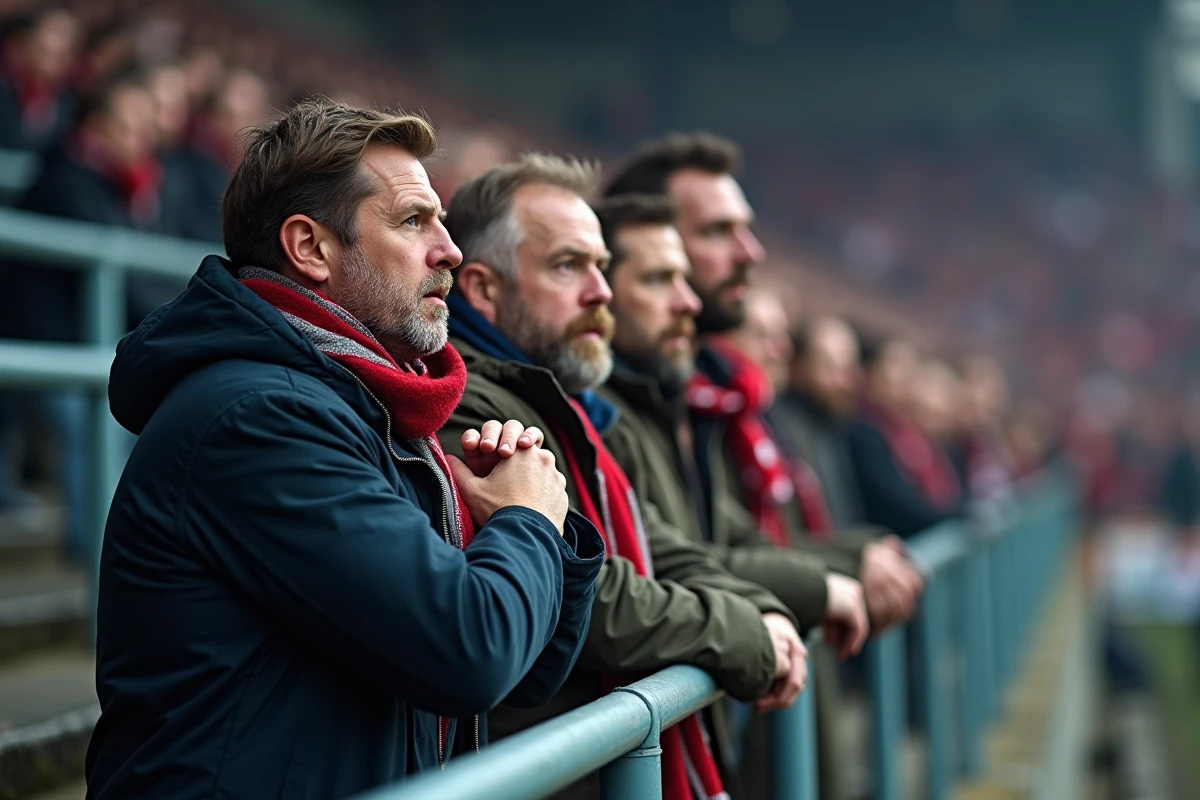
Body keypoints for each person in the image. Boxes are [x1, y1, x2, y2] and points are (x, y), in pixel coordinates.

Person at [86, 99, 604, 800]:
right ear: (310, 249)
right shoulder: (261, 419)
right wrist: (528, 520)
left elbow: (526, 674)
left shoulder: (366, 410)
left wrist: (507, 525)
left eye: (443, 220)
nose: (449, 249)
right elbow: (470, 651)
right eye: (414, 220)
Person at [442, 154, 810, 800]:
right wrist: (744, 631)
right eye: (568, 266)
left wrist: (762, 609)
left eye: (603, 268)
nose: (601, 293)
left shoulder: (575, 405)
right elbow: (590, 594)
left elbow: (664, 546)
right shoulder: (465, 402)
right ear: (482, 289)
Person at [604, 136, 923, 799]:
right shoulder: (614, 403)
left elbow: (725, 542)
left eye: (746, 229)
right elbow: (671, 563)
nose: (750, 253)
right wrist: (812, 589)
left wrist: (852, 556)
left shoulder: (688, 398)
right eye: (720, 231)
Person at [848, 334, 964, 537]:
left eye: (910, 367)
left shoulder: (910, 431)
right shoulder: (863, 430)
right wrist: (955, 517)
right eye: (895, 365)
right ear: (871, 373)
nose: (904, 377)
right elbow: (898, 505)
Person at [774, 316, 867, 529]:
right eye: (831, 367)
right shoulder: (783, 429)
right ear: (798, 367)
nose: (846, 381)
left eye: (849, 368)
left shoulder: (833, 426)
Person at [161, 68, 270, 242]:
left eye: (247, 117)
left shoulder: (262, 179)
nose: (239, 127)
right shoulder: (183, 169)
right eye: (227, 115)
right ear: (211, 117)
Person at [0, 7, 79, 152]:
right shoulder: (6, 81)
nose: (59, 42)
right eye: (54, 31)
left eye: (67, 37)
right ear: (28, 42)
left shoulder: (66, 102)